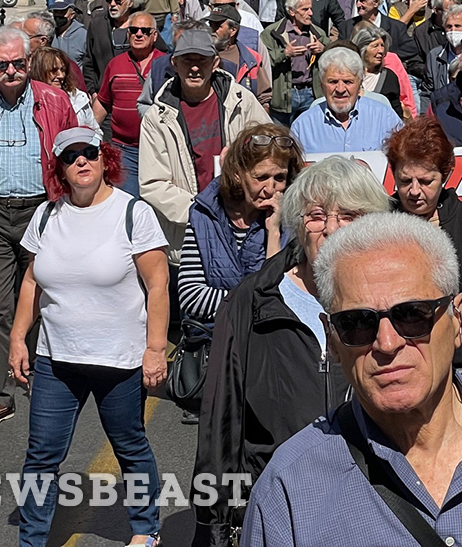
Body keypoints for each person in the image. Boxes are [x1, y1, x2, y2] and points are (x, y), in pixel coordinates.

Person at [239, 211, 462, 547]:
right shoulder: (289, 489)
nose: (387, 343)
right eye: (357, 323)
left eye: (413, 315)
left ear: (458, 318)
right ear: (332, 340)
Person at [192, 156, 391, 547]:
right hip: (280, 507)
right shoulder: (252, 302)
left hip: (373, 507)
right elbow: (221, 422)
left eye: (347, 215)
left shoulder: (393, 305)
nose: (331, 229)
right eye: (316, 215)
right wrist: (216, 522)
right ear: (299, 224)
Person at [8, 128, 169, 547]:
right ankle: (31, 540)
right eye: (71, 155)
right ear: (60, 166)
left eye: (90, 153)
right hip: (57, 360)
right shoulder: (46, 215)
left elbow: (157, 286)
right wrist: (18, 337)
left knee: (130, 447)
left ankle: (145, 530)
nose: (82, 161)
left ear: (105, 159)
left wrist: (155, 350)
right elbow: (31, 282)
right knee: (41, 456)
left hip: (120, 361)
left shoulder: (132, 213)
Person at [0, 25, 77, 429]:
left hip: (41, 212)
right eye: (2, 64)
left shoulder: (54, 101)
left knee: (46, 297)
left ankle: (44, 378)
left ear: (29, 62)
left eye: (18, 63)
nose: (11, 70)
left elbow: (74, 152)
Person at [138, 29, 273, 259]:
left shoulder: (242, 101)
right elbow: (153, 183)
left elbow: (269, 151)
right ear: (174, 63)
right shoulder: (156, 118)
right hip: (189, 233)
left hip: (244, 226)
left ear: (215, 63)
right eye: (187, 60)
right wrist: (202, 211)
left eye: (202, 60)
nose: (194, 68)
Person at [383, 116, 462, 371]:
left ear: (445, 175)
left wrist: (455, 349)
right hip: (394, 359)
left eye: (425, 182)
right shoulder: (379, 222)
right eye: (404, 181)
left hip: (454, 362)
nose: (414, 191)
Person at [175, 123, 302, 337]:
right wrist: (255, 303)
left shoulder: (294, 220)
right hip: (213, 342)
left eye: (279, 178)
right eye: (261, 177)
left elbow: (286, 296)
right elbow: (191, 296)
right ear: (237, 175)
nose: (270, 188)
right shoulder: (204, 214)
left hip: (269, 342)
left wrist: (274, 231)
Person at [95, 10, 163, 196]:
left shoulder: (166, 64)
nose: (139, 34)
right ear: (128, 34)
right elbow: (103, 102)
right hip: (124, 151)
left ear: (154, 35)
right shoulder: (115, 64)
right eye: (134, 30)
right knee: (126, 202)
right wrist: (90, 132)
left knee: (157, 205)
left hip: (159, 150)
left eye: (144, 30)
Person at [290, 47, 402, 155]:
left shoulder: (385, 117)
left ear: (360, 84)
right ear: (321, 85)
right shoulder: (303, 126)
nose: (340, 89)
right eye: (333, 82)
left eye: (348, 82)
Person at [263, 0, 327, 125]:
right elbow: (262, 61)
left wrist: (324, 49)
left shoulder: (318, 33)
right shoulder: (272, 33)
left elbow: (335, 55)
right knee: (282, 139)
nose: (310, 13)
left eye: (310, 9)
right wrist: (284, 53)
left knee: (309, 137)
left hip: (310, 93)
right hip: (284, 95)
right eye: (305, 9)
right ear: (292, 12)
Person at [82, 0, 139, 92]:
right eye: (109, 0)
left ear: (130, 2)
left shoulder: (142, 23)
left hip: (135, 90)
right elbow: (89, 61)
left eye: (118, 1)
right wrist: (92, 91)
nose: (112, 4)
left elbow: (159, 55)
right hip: (104, 91)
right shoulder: (97, 23)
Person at [29, 46, 97, 129]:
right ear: (39, 71)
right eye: (54, 70)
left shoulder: (78, 98)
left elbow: (95, 130)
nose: (61, 75)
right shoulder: (30, 101)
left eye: (63, 70)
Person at [351, 24, 407, 118]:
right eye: (375, 46)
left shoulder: (389, 77)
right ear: (362, 49)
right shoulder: (350, 75)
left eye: (382, 46)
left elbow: (396, 113)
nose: (381, 50)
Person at [50, 0, 88, 67]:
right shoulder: (50, 33)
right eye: (55, 11)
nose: (58, 15)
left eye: (62, 12)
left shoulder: (83, 35)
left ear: (72, 15)